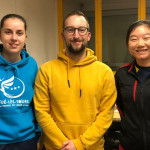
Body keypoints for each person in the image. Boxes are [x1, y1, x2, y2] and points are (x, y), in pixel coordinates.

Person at [34, 10, 117, 150]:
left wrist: (79, 144)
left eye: (81, 30)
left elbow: (106, 114)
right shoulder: (46, 70)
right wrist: (65, 145)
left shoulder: (104, 72)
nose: (76, 35)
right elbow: (41, 112)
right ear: (63, 35)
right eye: (70, 30)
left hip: (92, 147)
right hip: (56, 147)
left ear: (89, 35)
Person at [0, 14, 41, 150]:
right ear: (0, 35)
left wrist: (39, 135)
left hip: (27, 139)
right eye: (8, 32)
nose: (14, 38)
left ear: (25, 37)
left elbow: (37, 103)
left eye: (19, 33)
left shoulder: (32, 65)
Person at [115, 20, 150, 150]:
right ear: (128, 44)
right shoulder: (121, 74)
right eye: (134, 39)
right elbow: (121, 107)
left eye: (146, 38)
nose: (140, 44)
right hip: (129, 145)